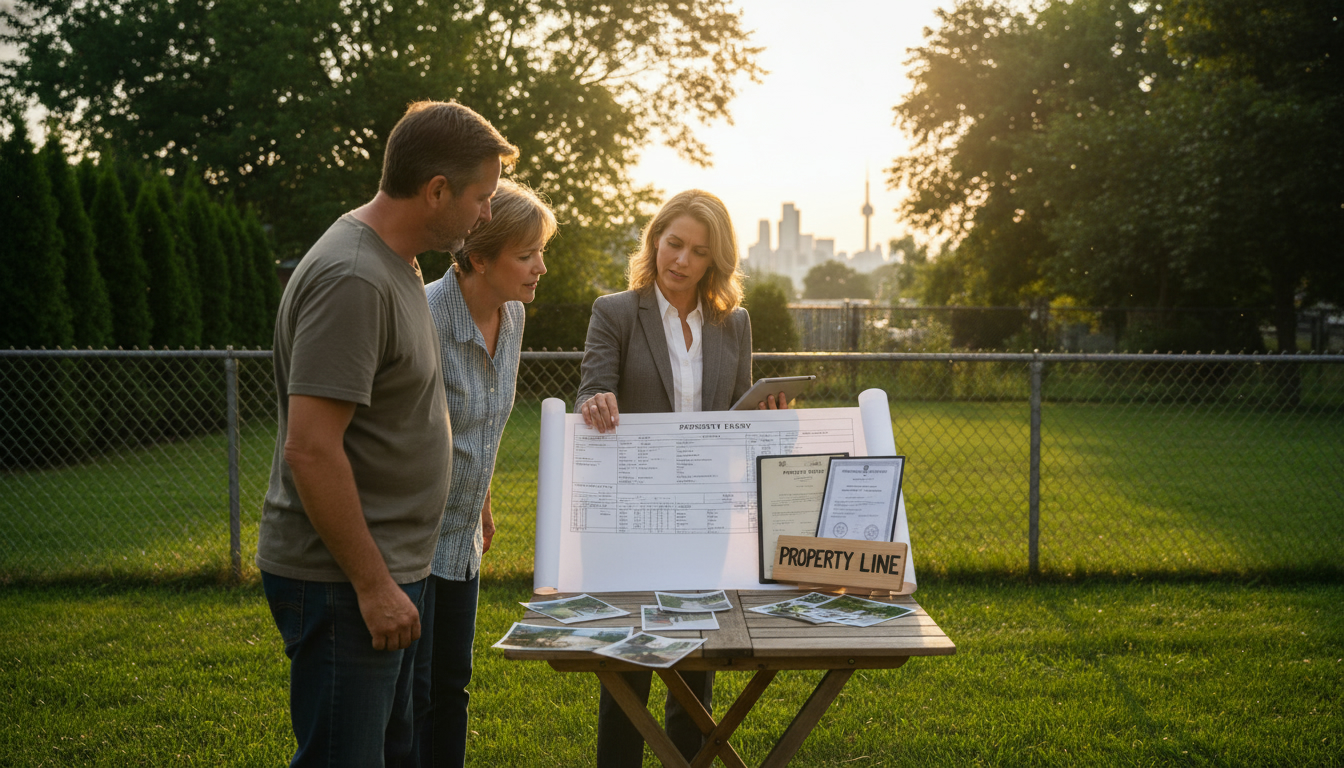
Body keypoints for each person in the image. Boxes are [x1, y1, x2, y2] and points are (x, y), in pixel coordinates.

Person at [256, 100, 518, 768]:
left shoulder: (397, 262)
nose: (487, 213)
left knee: (396, 751)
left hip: (395, 570)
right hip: (343, 580)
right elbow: (311, 447)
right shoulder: (353, 278)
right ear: (436, 191)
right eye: (481, 198)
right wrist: (373, 587)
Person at [575, 189, 787, 766]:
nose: (682, 261)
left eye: (698, 251)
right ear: (655, 240)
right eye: (674, 245)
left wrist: (765, 415)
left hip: (707, 513)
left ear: (714, 260)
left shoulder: (734, 323)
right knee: (630, 663)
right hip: (630, 516)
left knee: (696, 660)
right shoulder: (615, 311)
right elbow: (591, 386)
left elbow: (735, 417)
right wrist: (596, 401)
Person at [423, 179, 557, 767]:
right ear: (478, 256)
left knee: (451, 686)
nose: (540, 268)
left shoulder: (514, 318)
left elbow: (478, 424)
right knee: (408, 697)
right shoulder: (421, 316)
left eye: (541, 252)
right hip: (409, 539)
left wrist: (481, 498)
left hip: (463, 539)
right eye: (526, 255)